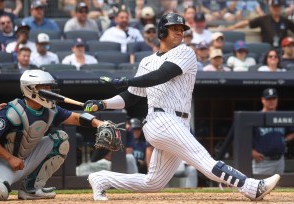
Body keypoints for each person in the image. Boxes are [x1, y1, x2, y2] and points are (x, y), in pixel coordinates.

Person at [83, 13, 280, 201]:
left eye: (181, 29)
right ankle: (251, 187)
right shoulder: (146, 62)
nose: (179, 32)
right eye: (174, 28)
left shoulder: (185, 52)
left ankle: (101, 179)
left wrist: (127, 80)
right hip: (159, 120)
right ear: (162, 32)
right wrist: (103, 103)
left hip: (179, 122)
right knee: (204, 160)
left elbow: (162, 75)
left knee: (153, 183)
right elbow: (131, 96)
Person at [0, 69, 110, 201]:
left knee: (60, 139)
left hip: (25, 160)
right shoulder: (12, 111)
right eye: (45, 86)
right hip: (1, 162)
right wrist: (9, 158)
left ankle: (31, 189)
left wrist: (99, 123)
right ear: (30, 89)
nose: (50, 90)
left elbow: (75, 118)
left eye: (50, 86)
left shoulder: (51, 109)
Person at [252, 88, 294, 175]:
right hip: (263, 161)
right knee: (259, 187)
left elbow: (292, 132)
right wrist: (251, 151)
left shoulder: (282, 117)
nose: (271, 101)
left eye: (273, 99)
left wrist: (284, 140)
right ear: (262, 100)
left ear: (277, 100)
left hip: (279, 161)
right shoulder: (256, 117)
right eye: (268, 99)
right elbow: (242, 138)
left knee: (278, 187)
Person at [227, 0, 294, 48]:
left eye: (278, 7)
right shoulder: (263, 19)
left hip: (282, 48)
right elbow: (247, 23)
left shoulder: (285, 21)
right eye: (274, 7)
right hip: (268, 48)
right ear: (270, 8)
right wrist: (232, 27)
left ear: (280, 8)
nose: (276, 9)